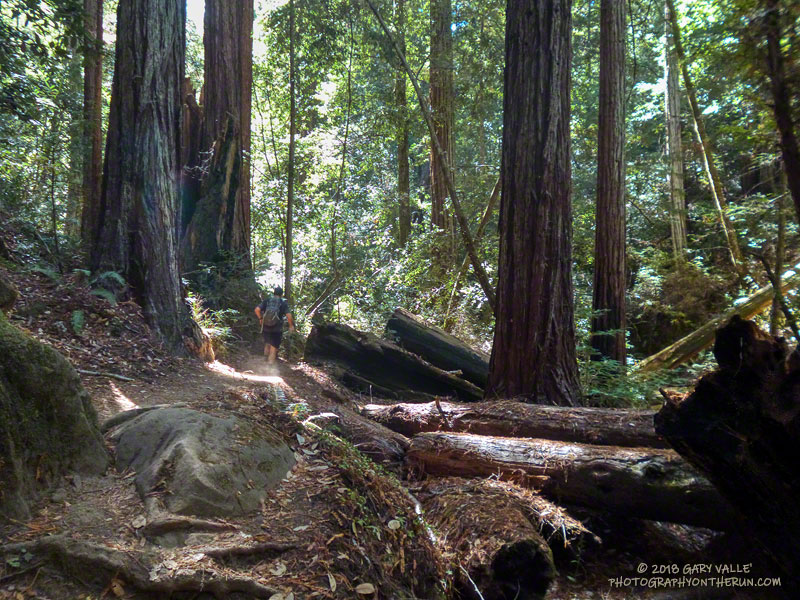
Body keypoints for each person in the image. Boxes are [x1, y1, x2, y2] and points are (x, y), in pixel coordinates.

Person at [255, 287, 295, 364]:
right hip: (277, 328)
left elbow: (257, 309)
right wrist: (291, 325)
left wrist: (260, 318)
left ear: (274, 293)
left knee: (267, 343)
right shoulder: (283, 303)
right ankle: (270, 367)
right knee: (274, 346)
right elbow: (289, 316)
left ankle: (264, 363)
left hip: (266, 326)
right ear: (281, 295)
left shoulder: (267, 301)